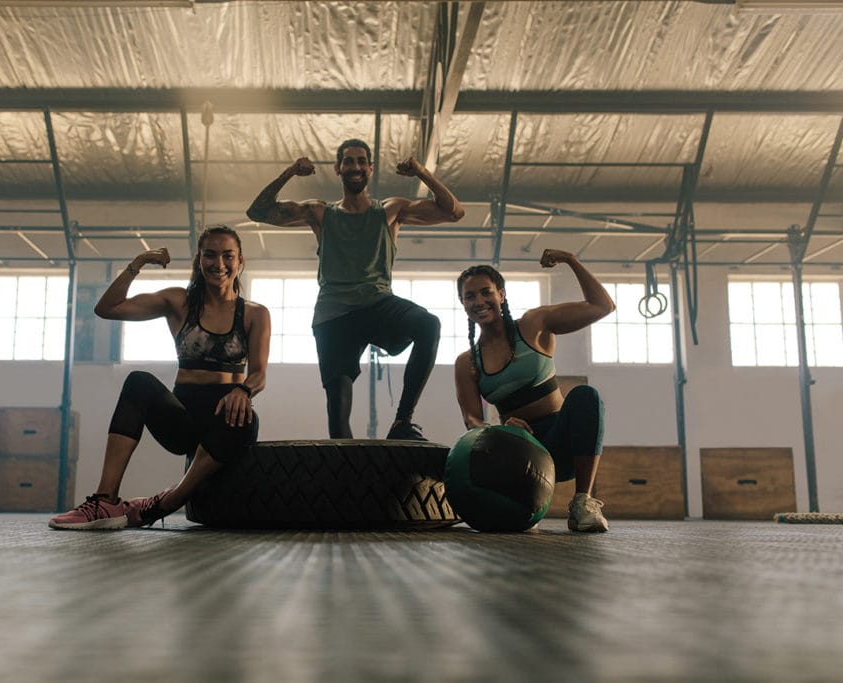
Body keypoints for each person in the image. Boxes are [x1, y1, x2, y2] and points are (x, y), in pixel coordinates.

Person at [49, 225, 271, 530]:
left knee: (249, 420)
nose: (218, 264)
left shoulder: (255, 313)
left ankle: (168, 501)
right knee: (138, 381)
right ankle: (105, 502)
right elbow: (107, 308)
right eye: (209, 255)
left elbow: (259, 373)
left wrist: (243, 390)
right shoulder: (179, 301)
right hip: (182, 419)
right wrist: (136, 264)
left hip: (224, 419)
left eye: (227, 256)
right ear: (199, 260)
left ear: (240, 261)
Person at [246, 138, 465, 440]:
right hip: (334, 314)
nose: (356, 166)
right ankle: (342, 472)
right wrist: (290, 172)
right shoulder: (320, 213)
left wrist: (421, 172)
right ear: (338, 169)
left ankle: (402, 422)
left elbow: (454, 212)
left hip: (379, 304)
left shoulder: (390, 211)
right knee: (338, 407)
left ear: (370, 169)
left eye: (362, 161)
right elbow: (257, 212)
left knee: (429, 325)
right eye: (348, 161)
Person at [454, 251, 615, 532]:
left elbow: (602, 306)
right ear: (463, 304)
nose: (479, 301)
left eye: (485, 292)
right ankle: (521, 505)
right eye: (470, 296)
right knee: (484, 443)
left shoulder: (534, 325)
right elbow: (472, 421)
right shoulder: (467, 362)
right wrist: (499, 430)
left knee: (585, 396)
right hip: (520, 451)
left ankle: (582, 503)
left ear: (501, 295)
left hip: (562, 444)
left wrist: (571, 260)